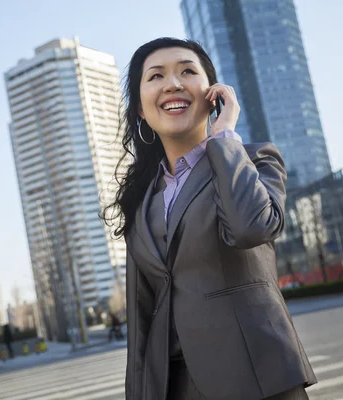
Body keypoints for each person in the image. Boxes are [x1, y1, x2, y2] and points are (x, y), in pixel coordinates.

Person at [102, 38, 316, 399]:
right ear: (140, 108)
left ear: (213, 93)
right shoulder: (141, 200)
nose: (173, 83)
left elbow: (252, 228)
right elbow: (142, 316)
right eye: (156, 76)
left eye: (188, 71)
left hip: (257, 378)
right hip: (177, 386)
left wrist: (225, 137)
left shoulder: (254, 160)